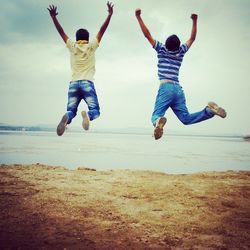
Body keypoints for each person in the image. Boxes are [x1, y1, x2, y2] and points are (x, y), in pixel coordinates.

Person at [135, 9, 226, 140]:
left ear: (166, 44)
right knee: (186, 119)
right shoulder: (181, 51)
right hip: (178, 90)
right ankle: (209, 111)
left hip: (166, 87)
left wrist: (138, 17)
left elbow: (146, 34)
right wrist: (195, 20)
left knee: (156, 115)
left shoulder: (161, 49)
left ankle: (158, 122)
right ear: (178, 46)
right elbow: (192, 38)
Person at [47, 2, 114, 136]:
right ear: (88, 39)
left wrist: (54, 18)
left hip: (73, 84)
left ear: (76, 39)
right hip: (87, 83)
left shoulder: (72, 46)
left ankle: (66, 119)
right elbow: (102, 30)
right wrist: (109, 14)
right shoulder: (91, 46)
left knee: (71, 110)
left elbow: (62, 32)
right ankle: (88, 116)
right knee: (95, 110)